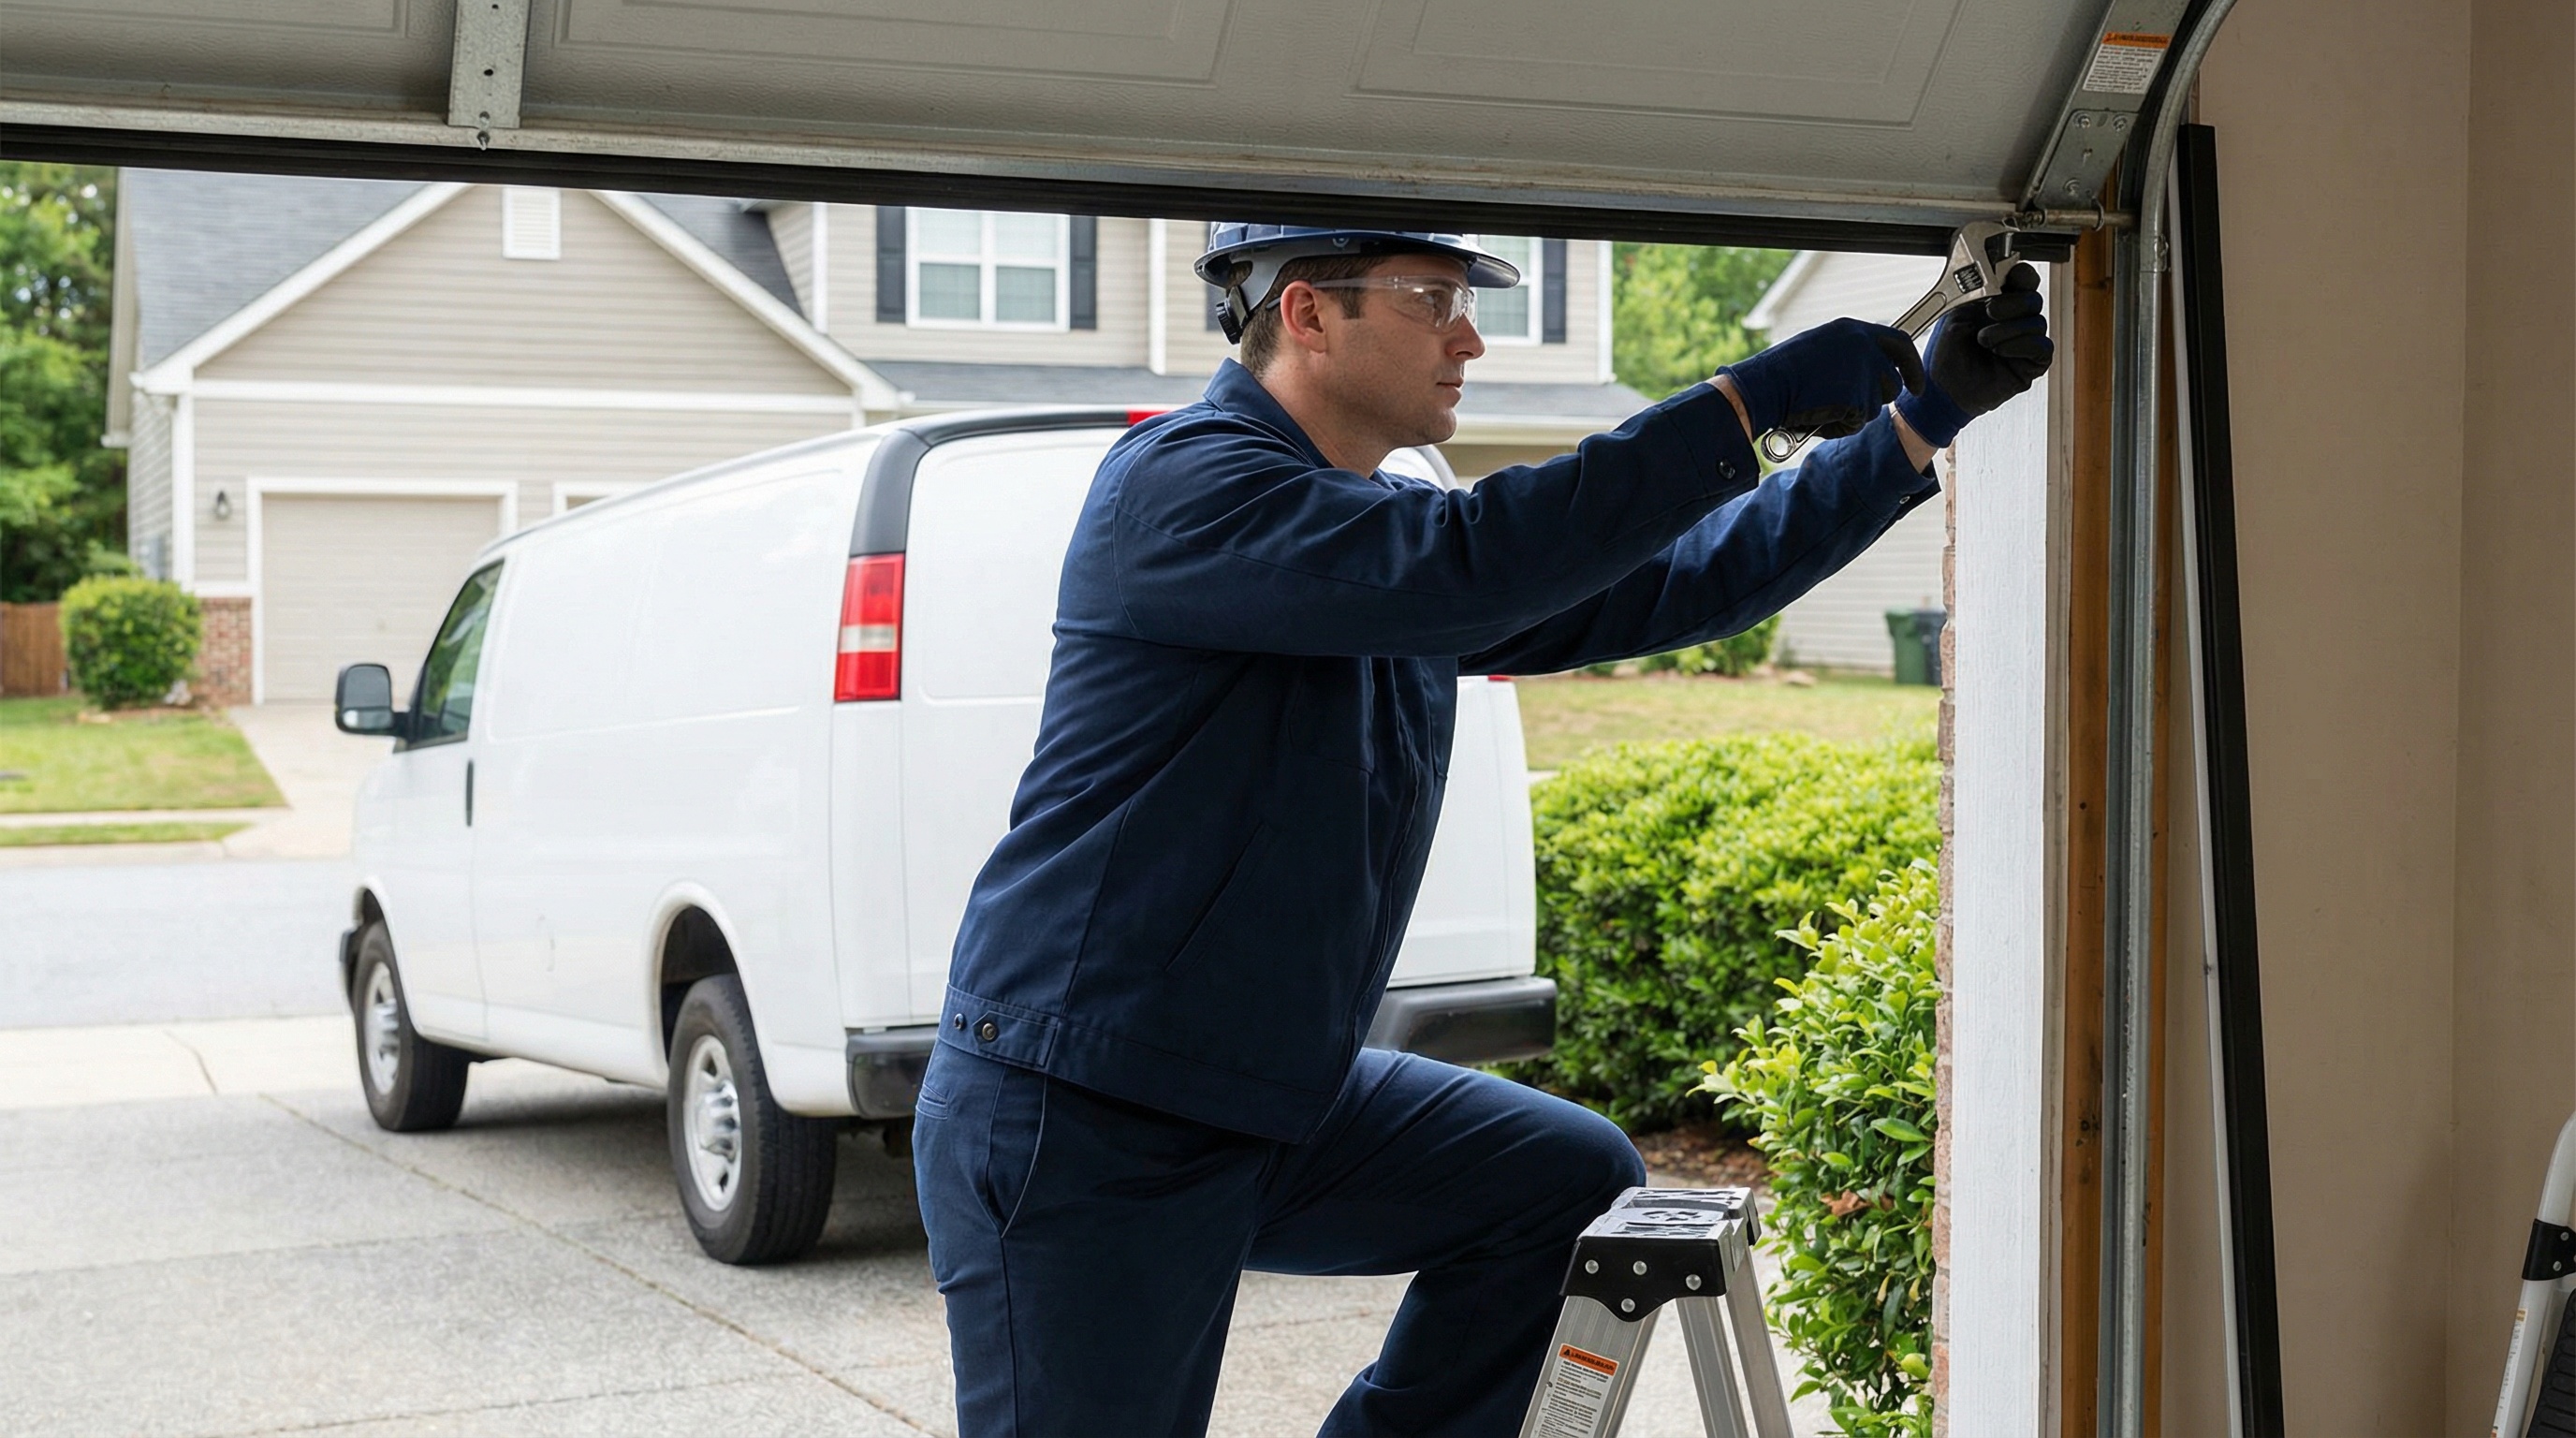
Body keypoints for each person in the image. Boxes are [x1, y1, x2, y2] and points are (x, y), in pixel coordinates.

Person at [910, 224, 2053, 1437]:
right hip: (1087, 1116)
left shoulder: (1375, 533)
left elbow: (1684, 582)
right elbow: (1469, 565)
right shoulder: (1188, 489)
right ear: (1305, 314)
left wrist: (1918, 423)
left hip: (1264, 1091)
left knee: (1557, 1186)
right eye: (1431, 301)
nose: (1470, 336)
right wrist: (1745, 402)